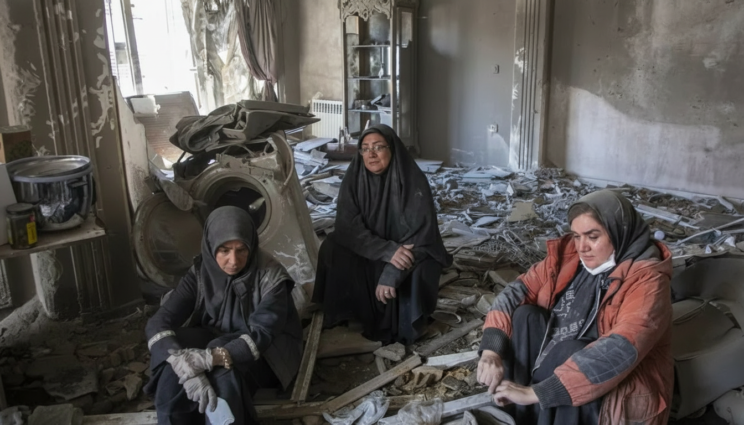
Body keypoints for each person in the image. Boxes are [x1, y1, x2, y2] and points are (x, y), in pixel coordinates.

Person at [476, 190, 673, 425]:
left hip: (607, 383)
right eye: (577, 236)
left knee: (569, 350)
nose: (582, 247)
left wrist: (537, 392)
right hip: (560, 364)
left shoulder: (648, 280)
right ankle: (518, 414)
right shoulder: (569, 257)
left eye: (593, 236)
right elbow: (516, 292)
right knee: (526, 316)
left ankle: (539, 409)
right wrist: (491, 351)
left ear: (619, 232)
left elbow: (620, 349)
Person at [144, 206, 302, 424]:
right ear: (211, 245)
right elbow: (160, 321)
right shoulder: (200, 272)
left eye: (242, 250)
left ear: (251, 245)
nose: (234, 261)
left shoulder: (271, 276)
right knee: (175, 350)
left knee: (222, 370)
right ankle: (173, 418)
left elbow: (263, 333)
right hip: (216, 336)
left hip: (268, 353)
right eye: (224, 250)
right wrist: (182, 363)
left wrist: (213, 357)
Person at [312, 124, 452, 344]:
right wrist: (386, 250)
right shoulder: (354, 178)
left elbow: (421, 237)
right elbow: (347, 227)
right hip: (376, 247)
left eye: (378, 147)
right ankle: (348, 314)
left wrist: (392, 272)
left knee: (425, 264)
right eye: (365, 148)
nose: (371, 154)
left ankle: (402, 327)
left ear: (392, 149)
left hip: (407, 250)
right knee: (332, 247)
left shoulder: (413, 181)